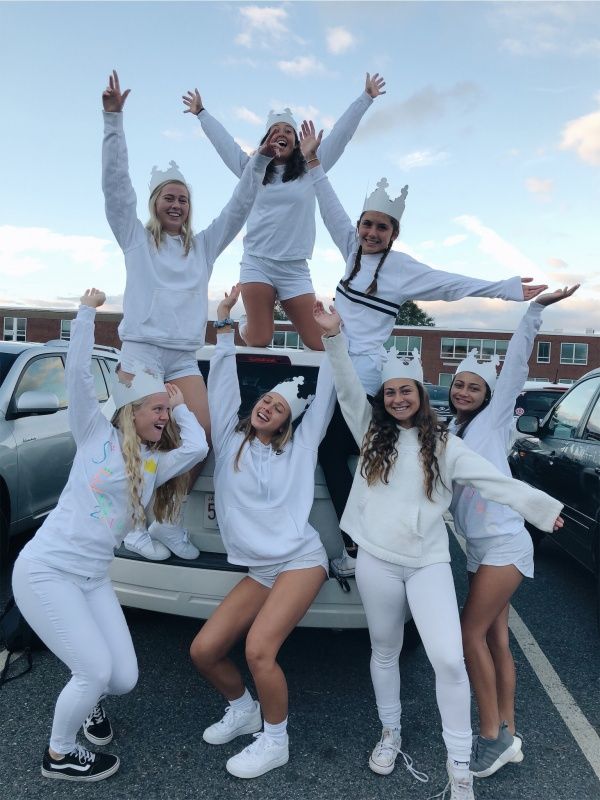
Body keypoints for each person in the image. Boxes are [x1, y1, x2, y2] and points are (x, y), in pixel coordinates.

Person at [313, 301, 563, 800]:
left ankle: (459, 768)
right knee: (383, 651)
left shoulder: (446, 442)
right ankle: (391, 733)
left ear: (420, 394)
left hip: (427, 563)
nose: (398, 398)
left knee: (449, 659)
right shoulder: (369, 430)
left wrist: (539, 507)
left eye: (406, 390)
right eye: (390, 392)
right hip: (377, 562)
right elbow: (344, 384)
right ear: (382, 399)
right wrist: (335, 337)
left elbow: (492, 479)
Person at [299, 120, 548, 578]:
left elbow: (452, 284)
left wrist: (510, 289)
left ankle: (359, 546)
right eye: (368, 224)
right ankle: (307, 535)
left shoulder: (402, 269)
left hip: (367, 375)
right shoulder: (351, 248)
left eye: (382, 227)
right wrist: (313, 160)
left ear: (394, 234)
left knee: (357, 451)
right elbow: (327, 203)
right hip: (329, 364)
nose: (372, 233)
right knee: (314, 445)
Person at [12, 289, 208, 782]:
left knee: (123, 678)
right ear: (132, 409)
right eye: (157, 410)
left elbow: (199, 445)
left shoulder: (153, 462)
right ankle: (58, 755)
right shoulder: (93, 432)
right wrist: (85, 313)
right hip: (47, 570)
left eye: (165, 412)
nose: (163, 418)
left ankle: (90, 700)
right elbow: (76, 373)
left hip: (94, 579)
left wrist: (182, 407)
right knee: (93, 671)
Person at [102, 70, 276, 561]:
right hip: (140, 353)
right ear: (156, 203)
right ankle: (134, 522)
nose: (176, 204)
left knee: (204, 440)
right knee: (143, 442)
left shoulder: (202, 248)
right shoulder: (135, 238)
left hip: (180, 357)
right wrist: (112, 119)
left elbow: (238, 209)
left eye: (183, 199)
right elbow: (116, 189)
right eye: (168, 198)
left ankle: (167, 519)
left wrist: (260, 160)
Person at [189, 284, 336, 779]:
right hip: (260, 568)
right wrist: (226, 321)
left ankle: (276, 741)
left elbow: (329, 390)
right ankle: (244, 709)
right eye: (266, 400)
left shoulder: (300, 448)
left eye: (279, 407)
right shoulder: (231, 435)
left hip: (299, 561)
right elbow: (223, 381)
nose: (268, 406)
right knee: (204, 651)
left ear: (288, 421)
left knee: (258, 649)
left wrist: (333, 340)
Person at [448, 285, 579, 778]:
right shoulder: (453, 431)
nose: (464, 393)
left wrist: (534, 312)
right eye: (459, 385)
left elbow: (517, 368)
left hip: (503, 544)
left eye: (473, 388)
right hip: (479, 549)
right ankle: (508, 729)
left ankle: (489, 737)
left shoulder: (496, 419)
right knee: (497, 642)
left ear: (488, 395)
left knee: (469, 634)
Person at [182, 73, 387, 351]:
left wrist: (365, 98)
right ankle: (247, 322)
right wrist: (202, 113)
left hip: (294, 268)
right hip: (258, 262)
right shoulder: (250, 169)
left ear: (296, 140)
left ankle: (265, 319)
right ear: (266, 138)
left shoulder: (312, 167)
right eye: (275, 130)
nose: (282, 134)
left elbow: (342, 135)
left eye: (288, 131)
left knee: (319, 343)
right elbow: (225, 144)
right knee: (260, 339)